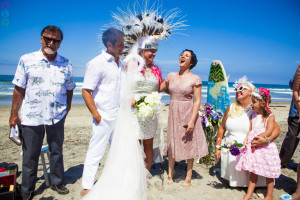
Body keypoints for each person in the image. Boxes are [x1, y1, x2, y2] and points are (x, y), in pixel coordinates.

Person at [9, 25, 75, 200]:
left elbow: (69, 88)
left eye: (56, 40)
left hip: (57, 115)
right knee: (30, 154)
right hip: (32, 115)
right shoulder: (26, 59)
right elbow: (19, 89)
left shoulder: (66, 63)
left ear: (60, 43)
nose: (51, 43)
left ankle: (56, 181)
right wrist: (14, 114)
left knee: (56, 150)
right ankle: (27, 189)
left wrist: (67, 107)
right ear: (41, 39)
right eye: (48, 39)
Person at [81, 28, 125, 197]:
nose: (123, 47)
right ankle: (87, 187)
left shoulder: (121, 63)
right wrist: (97, 115)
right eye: (120, 44)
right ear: (109, 44)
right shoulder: (96, 63)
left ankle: (113, 180)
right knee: (95, 152)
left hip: (119, 115)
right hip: (103, 116)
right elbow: (86, 91)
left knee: (117, 151)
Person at [214, 77, 281, 187]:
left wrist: (266, 140)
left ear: (250, 92)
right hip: (231, 151)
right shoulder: (231, 107)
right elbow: (221, 128)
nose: (237, 91)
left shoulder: (257, 108)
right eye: (236, 88)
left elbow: (276, 129)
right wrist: (217, 147)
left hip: (251, 152)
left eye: (241, 88)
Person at [160, 49, 209, 186]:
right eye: (182, 54)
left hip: (188, 112)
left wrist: (192, 120)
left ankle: (189, 174)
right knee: (172, 140)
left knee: (189, 143)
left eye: (186, 56)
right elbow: (160, 88)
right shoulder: (171, 75)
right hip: (174, 112)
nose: (182, 56)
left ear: (191, 62)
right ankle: (170, 173)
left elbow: (197, 101)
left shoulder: (195, 79)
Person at [235, 88, 281, 200]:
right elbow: (250, 130)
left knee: (269, 173)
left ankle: (269, 195)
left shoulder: (269, 117)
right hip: (254, 147)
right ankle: (249, 193)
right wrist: (247, 139)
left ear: (263, 103)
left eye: (254, 102)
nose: (252, 104)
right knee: (253, 171)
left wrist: (260, 137)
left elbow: (269, 131)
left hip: (266, 148)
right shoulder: (253, 116)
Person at [132, 41, 163, 171]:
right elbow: (123, 86)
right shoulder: (132, 67)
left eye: (155, 52)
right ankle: (134, 172)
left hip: (150, 111)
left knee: (148, 143)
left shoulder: (156, 70)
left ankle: (146, 173)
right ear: (141, 52)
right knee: (134, 143)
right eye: (151, 51)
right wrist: (129, 99)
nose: (153, 54)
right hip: (133, 109)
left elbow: (160, 88)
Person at [280, 64, 300, 168]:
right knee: (292, 136)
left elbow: (292, 85)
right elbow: (294, 88)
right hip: (296, 108)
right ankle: (283, 161)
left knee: (292, 136)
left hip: (296, 109)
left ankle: (283, 161)